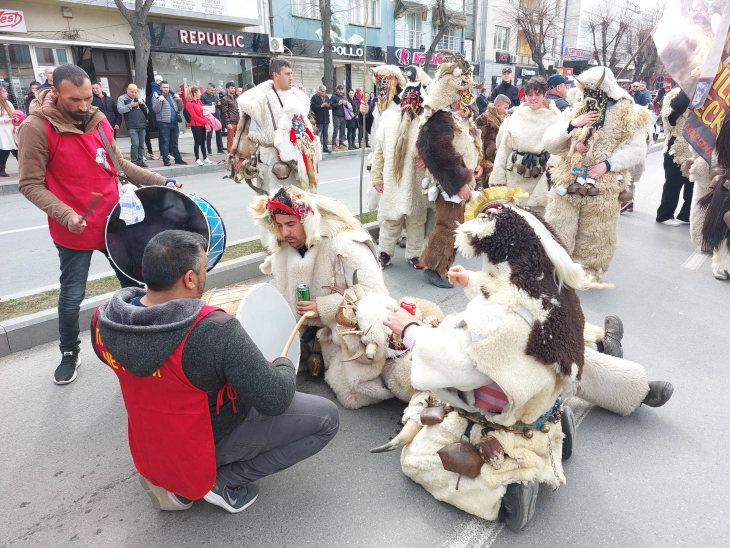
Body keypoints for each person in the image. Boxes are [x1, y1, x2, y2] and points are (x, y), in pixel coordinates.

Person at [377, 200, 672, 531]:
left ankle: (505, 491)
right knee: (584, 363)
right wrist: (471, 282)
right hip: (546, 383)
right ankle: (624, 390)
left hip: (506, 397)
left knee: (416, 460)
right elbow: (505, 288)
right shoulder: (548, 285)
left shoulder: (496, 318)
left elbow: (461, 362)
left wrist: (410, 330)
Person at [92, 230, 339, 513]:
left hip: (152, 439)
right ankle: (223, 481)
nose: (205, 274)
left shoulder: (105, 320)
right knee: (326, 419)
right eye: (203, 267)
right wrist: (281, 363)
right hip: (205, 440)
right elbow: (276, 398)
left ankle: (173, 479)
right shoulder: (213, 331)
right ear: (189, 278)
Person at [17, 64, 178, 385]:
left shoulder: (98, 119)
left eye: (87, 98)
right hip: (72, 229)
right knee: (71, 295)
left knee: (135, 287)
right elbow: (30, 184)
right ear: (55, 92)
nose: (81, 106)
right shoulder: (36, 127)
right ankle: (69, 352)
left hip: (115, 225)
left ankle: (141, 342)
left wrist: (162, 181)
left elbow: (120, 165)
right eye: (73, 99)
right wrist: (65, 214)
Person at [543, 67, 650, 280]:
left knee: (597, 231)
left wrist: (609, 164)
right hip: (567, 179)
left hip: (604, 184)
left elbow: (638, 150)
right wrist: (573, 124)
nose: (590, 95)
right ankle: (554, 267)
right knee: (557, 224)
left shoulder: (629, 114)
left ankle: (589, 270)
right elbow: (549, 144)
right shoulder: (574, 111)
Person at [416, 52, 483, 288]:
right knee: (447, 226)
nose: (465, 96)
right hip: (449, 184)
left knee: (455, 226)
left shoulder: (455, 116)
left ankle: (445, 267)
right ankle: (433, 268)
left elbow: (467, 146)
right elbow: (438, 152)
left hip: (459, 181)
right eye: (461, 90)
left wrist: (477, 168)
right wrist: (459, 183)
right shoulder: (440, 117)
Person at [372, 64, 431, 269]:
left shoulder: (426, 126)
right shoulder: (388, 123)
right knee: (390, 219)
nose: (409, 105)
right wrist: (377, 178)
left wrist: (427, 159)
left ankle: (414, 254)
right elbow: (379, 153)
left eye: (414, 102)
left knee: (416, 220)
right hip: (393, 181)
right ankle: (384, 252)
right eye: (407, 101)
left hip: (416, 182)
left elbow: (437, 153)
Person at [236, 58, 319, 198]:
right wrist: (241, 156)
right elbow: (245, 129)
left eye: (291, 73)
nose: (291, 78)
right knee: (274, 202)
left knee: (300, 201)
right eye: (287, 74)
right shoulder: (260, 98)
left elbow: (308, 122)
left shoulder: (299, 97)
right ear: (275, 75)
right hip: (272, 160)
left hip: (299, 159)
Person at [490, 77, 560, 212]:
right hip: (515, 175)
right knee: (514, 218)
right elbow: (504, 148)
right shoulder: (517, 116)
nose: (533, 98)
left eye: (537, 94)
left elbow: (561, 147)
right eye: (530, 94)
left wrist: (553, 163)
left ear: (545, 94)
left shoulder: (555, 118)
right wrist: (498, 177)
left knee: (539, 219)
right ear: (525, 96)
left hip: (540, 176)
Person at [656, 87, 693, 226]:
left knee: (693, 183)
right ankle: (665, 214)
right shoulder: (676, 94)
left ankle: (686, 214)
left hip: (696, 146)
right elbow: (668, 117)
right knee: (673, 182)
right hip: (677, 144)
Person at [475, 94, 510, 186]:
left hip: (498, 159)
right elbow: (479, 141)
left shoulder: (504, 119)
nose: (506, 111)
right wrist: (481, 162)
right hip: (488, 160)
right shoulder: (483, 118)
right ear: (498, 106)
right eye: (505, 108)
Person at [152, 80, 186, 166]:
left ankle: (178, 158)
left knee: (175, 142)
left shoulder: (171, 95)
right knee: (165, 142)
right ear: (160, 88)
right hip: (163, 123)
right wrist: (160, 101)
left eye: (167, 87)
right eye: (164, 87)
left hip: (174, 123)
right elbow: (155, 110)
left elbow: (179, 109)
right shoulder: (156, 95)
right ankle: (166, 159)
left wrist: (179, 100)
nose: (166, 89)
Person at [117, 83, 149, 167]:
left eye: (136, 92)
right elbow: (120, 110)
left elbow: (147, 111)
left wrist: (142, 104)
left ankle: (140, 161)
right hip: (132, 125)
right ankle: (134, 162)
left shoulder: (139, 98)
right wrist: (130, 105)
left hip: (142, 124)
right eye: (132, 92)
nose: (134, 94)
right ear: (127, 89)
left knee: (141, 144)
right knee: (135, 144)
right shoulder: (122, 98)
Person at [184, 85, 211, 166]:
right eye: (199, 92)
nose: (200, 93)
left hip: (202, 124)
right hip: (195, 125)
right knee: (197, 142)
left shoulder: (199, 101)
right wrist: (204, 121)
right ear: (195, 93)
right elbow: (194, 116)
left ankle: (205, 157)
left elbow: (203, 111)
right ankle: (197, 158)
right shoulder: (189, 103)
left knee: (203, 141)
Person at [200, 83, 224, 155]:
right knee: (209, 134)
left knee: (219, 133)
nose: (212, 92)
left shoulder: (216, 95)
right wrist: (211, 103)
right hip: (209, 117)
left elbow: (219, 106)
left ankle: (220, 149)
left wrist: (219, 104)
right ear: (207, 89)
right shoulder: (203, 96)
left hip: (216, 116)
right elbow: (202, 106)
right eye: (211, 90)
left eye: (213, 90)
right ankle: (209, 150)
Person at [0, 86, 18, 177]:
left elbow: (14, 112)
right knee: (5, 149)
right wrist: (3, 120)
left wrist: (16, 117)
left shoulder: (8, 103)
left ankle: (26, 168)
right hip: (2, 129)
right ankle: (1, 168)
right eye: (4, 92)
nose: (6, 93)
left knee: (17, 149)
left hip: (11, 128)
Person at [310, 85, 331, 153]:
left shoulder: (326, 97)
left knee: (325, 134)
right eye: (322, 91)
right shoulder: (314, 97)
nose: (323, 93)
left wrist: (328, 106)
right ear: (319, 90)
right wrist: (320, 106)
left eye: (324, 91)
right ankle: (319, 147)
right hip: (319, 118)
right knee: (319, 133)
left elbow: (330, 106)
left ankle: (325, 147)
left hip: (326, 118)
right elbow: (312, 107)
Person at [220, 81, 240, 153]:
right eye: (231, 88)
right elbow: (225, 112)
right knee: (230, 139)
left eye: (234, 88)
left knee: (239, 139)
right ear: (227, 89)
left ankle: (237, 153)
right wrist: (228, 123)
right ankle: (230, 155)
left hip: (238, 120)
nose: (233, 90)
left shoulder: (236, 97)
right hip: (231, 121)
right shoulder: (224, 99)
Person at [330, 84, 347, 151]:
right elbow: (330, 106)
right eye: (339, 89)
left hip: (343, 116)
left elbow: (348, 106)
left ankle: (341, 144)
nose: (341, 91)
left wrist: (346, 104)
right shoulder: (333, 97)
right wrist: (338, 104)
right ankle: (333, 144)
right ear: (337, 90)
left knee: (342, 131)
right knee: (336, 131)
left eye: (342, 89)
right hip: (336, 116)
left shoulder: (344, 97)